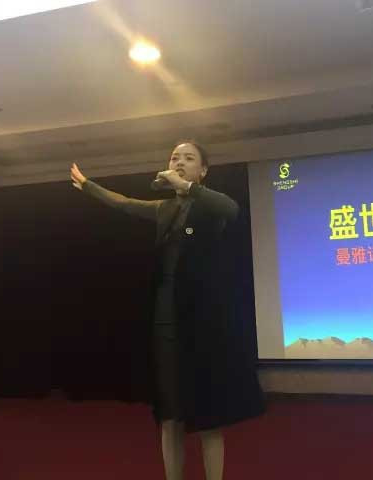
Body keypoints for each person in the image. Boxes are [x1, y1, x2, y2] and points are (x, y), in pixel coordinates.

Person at [70, 141, 265, 480]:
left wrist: (186, 187)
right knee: (170, 416)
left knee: (208, 418)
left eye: (189, 158)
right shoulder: (165, 209)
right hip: (165, 325)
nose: (179, 162)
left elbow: (232, 208)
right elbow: (125, 203)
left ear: (203, 171)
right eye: (175, 157)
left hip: (202, 328)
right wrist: (89, 186)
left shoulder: (210, 206)